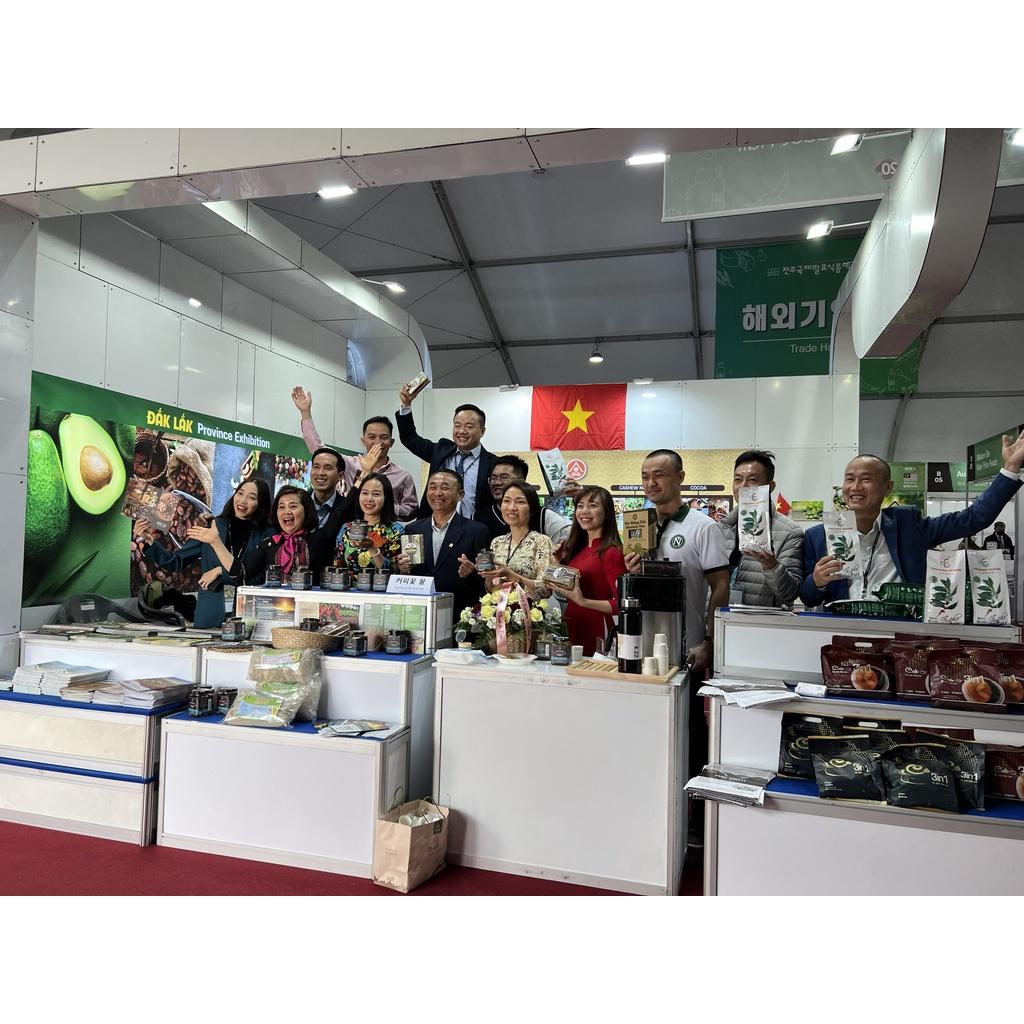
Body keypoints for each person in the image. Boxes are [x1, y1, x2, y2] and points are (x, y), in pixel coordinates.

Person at [802, 437, 1024, 606]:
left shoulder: (910, 525)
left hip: (900, 633)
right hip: (842, 632)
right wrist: (817, 581)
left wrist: (1010, 469)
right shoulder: (818, 536)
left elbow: (973, 519)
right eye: (849, 479)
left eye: (866, 479)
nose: (855, 487)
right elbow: (808, 597)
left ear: (888, 487)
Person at [624, 450, 730, 675]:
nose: (651, 483)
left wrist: (710, 641)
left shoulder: (703, 527)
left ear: (680, 477)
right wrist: (633, 572)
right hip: (641, 643)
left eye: (659, 475)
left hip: (688, 647)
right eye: (645, 477)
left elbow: (721, 586)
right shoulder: (639, 526)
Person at [134, 478, 272, 628]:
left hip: (249, 615)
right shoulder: (212, 526)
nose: (243, 501)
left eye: (252, 498)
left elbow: (263, 578)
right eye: (240, 493)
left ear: (261, 504)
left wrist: (221, 572)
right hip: (209, 614)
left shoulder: (267, 534)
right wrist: (150, 541)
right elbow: (176, 562)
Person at [189, 484, 356, 586]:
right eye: (281, 507)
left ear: (306, 511)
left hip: (309, 617)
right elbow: (240, 574)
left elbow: (343, 509)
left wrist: (363, 474)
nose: (286, 511)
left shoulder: (319, 538)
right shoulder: (269, 544)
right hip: (274, 616)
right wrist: (216, 542)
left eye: (293, 506)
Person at [290, 386, 419, 518]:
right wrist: (305, 413)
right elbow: (318, 449)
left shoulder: (403, 476)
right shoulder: (349, 464)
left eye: (384, 437)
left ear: (391, 442)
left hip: (384, 529)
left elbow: (411, 510)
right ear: (363, 441)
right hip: (348, 526)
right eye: (371, 437)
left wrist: (384, 505)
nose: (378, 442)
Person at [395, 469, 491, 617]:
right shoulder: (413, 529)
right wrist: (403, 569)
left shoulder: (476, 531)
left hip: (459, 614)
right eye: (432, 487)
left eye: (445, 488)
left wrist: (471, 573)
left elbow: (486, 580)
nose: (438, 493)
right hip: (420, 612)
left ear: (460, 495)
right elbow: (408, 574)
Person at [546, 486, 627, 656]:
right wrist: (558, 563)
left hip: (597, 629)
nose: (585, 511)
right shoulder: (578, 549)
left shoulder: (612, 553)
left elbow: (621, 604)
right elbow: (566, 589)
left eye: (593, 505)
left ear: (607, 512)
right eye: (580, 506)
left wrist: (583, 602)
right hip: (572, 623)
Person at [718, 449, 803, 607]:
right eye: (737, 480)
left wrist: (771, 565)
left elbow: (790, 593)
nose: (743, 486)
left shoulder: (790, 532)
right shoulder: (721, 528)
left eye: (753, 480)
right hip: (718, 619)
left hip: (759, 621)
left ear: (770, 486)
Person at [395, 387, 496, 520]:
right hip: (435, 526)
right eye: (457, 425)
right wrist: (406, 405)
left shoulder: (493, 464)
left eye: (469, 426)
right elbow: (409, 438)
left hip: (475, 527)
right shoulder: (441, 450)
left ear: (482, 431)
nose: (462, 431)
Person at [459, 482, 555, 599]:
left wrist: (510, 575)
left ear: (532, 509)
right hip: (496, 608)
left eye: (520, 502)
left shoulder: (542, 542)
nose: (511, 507)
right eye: (506, 501)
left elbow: (547, 589)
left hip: (531, 609)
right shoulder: (497, 542)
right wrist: (481, 573)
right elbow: (490, 590)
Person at [477, 455, 572, 545]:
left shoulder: (546, 518)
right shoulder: (478, 518)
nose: (497, 483)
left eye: (504, 478)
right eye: (493, 478)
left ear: (521, 480)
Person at [335, 472, 405, 573]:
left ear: (386, 497)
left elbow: (396, 571)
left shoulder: (395, 530)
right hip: (350, 583)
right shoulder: (347, 528)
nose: (369, 499)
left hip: (383, 583)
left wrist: (372, 548)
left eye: (376, 494)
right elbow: (338, 566)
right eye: (365, 493)